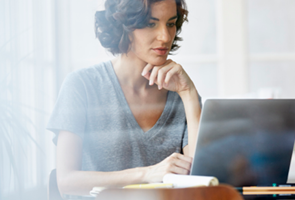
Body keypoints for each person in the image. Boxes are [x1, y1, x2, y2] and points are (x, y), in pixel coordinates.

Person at [47, 0, 201, 196]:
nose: (165, 37)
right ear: (123, 26)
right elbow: (67, 181)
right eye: (151, 23)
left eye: (170, 23)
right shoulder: (82, 86)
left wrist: (188, 94)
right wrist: (147, 174)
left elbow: (200, 181)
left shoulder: (182, 95)